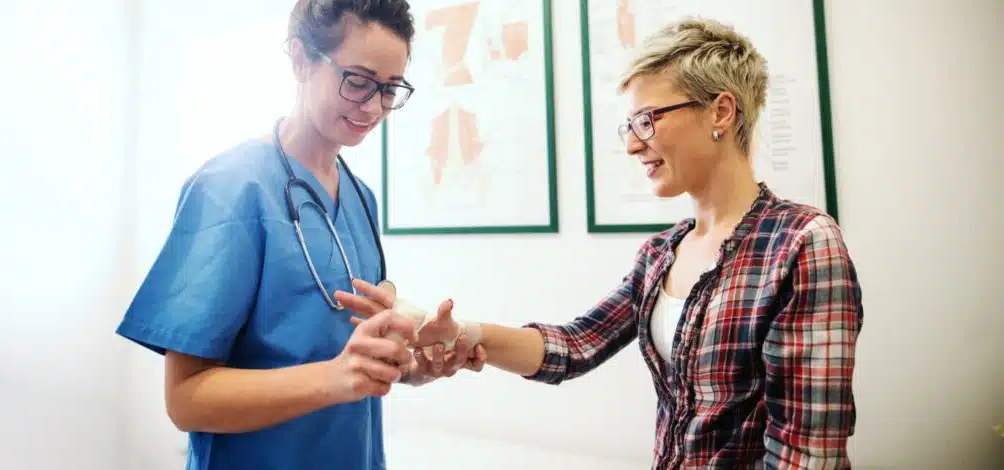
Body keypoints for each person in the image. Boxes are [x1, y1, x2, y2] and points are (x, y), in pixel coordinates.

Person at [335, 17, 864, 469]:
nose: (634, 143)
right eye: (629, 125)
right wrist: (458, 331)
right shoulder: (662, 254)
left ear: (721, 112)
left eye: (647, 119)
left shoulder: (801, 243)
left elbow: (807, 452)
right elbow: (574, 346)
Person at [114, 1, 479, 468]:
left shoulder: (360, 198)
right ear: (301, 58)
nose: (373, 107)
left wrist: (408, 365)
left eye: (390, 89)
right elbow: (186, 399)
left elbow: (337, 349)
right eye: (358, 81)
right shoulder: (230, 189)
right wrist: (337, 377)